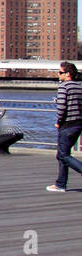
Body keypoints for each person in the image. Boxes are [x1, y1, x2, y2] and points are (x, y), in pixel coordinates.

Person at [48, 60, 82, 192]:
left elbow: (61, 107)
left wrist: (58, 121)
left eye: (60, 72)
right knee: (63, 153)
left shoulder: (64, 86)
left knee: (63, 155)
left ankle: (61, 183)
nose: (58, 74)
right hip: (78, 124)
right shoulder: (79, 86)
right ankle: (60, 184)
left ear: (67, 74)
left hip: (67, 125)